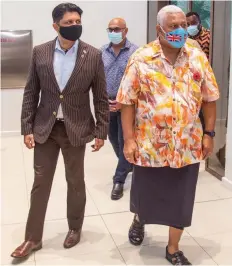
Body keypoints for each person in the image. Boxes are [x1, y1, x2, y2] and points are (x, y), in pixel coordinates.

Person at [117, 5, 219, 265]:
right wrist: (129, 139)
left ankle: (173, 247)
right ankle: (140, 218)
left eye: (183, 24)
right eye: (173, 26)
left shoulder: (197, 56)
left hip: (187, 144)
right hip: (150, 144)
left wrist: (209, 133)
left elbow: (209, 98)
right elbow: (127, 102)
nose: (180, 30)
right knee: (146, 194)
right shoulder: (142, 57)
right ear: (158, 29)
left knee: (182, 199)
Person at [11, 3, 109, 259]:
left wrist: (101, 131)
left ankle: (74, 228)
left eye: (77, 20)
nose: (75, 25)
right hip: (46, 128)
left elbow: (100, 97)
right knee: (40, 183)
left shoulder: (93, 55)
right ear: (55, 26)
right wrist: (26, 127)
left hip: (76, 129)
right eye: (68, 22)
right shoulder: (40, 52)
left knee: (75, 181)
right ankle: (32, 239)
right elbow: (31, 91)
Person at [101, 18, 138, 200]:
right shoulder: (102, 52)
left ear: (126, 30)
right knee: (113, 140)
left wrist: (123, 102)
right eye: (111, 29)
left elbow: (140, 82)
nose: (114, 32)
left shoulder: (136, 52)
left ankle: (119, 180)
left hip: (128, 105)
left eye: (118, 29)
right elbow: (97, 78)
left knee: (125, 140)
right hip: (107, 103)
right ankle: (127, 164)